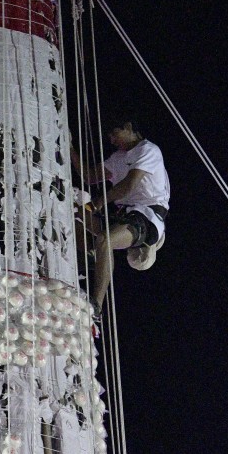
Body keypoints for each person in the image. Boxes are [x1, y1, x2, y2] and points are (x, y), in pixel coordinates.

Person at [72, 113, 170, 310]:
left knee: (106, 239)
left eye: (114, 134)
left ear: (128, 126)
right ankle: (91, 255)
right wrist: (70, 148)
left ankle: (96, 304)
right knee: (74, 212)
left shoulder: (148, 150)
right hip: (124, 215)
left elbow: (129, 185)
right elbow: (90, 176)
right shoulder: (118, 158)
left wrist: (98, 203)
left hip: (147, 217)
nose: (112, 140)